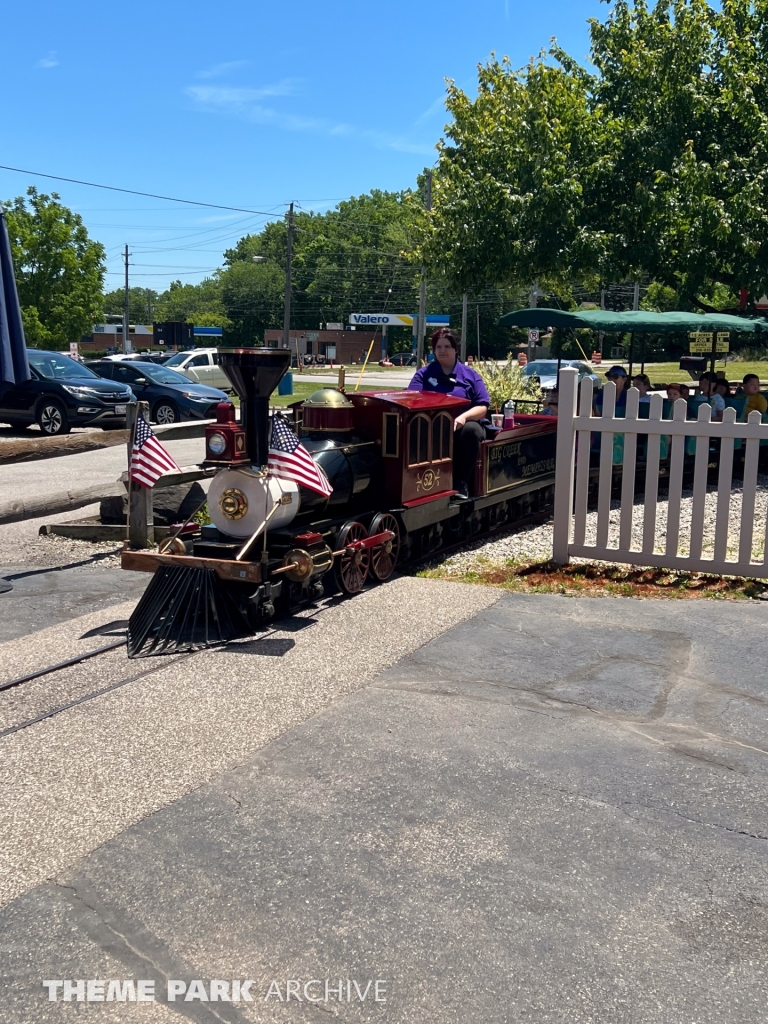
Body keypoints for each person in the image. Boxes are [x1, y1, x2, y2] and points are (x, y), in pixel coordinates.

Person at [408, 327, 490, 497]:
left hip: (460, 428)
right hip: (431, 427)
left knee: (472, 430)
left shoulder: (470, 375)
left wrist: (463, 417)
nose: (442, 351)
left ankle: (460, 483)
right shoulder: (423, 375)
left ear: (455, 349)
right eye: (438, 347)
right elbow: (411, 399)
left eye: (447, 347)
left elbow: (482, 406)